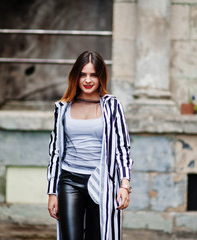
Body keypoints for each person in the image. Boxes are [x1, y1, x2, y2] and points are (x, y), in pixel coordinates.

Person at [47, 50, 133, 240]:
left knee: (98, 236)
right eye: (83, 74)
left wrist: (124, 185)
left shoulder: (112, 106)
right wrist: (52, 192)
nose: (87, 80)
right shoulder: (62, 108)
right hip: (69, 180)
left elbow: (122, 148)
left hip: (101, 182)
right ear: (75, 77)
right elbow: (55, 151)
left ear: (101, 77)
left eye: (93, 75)